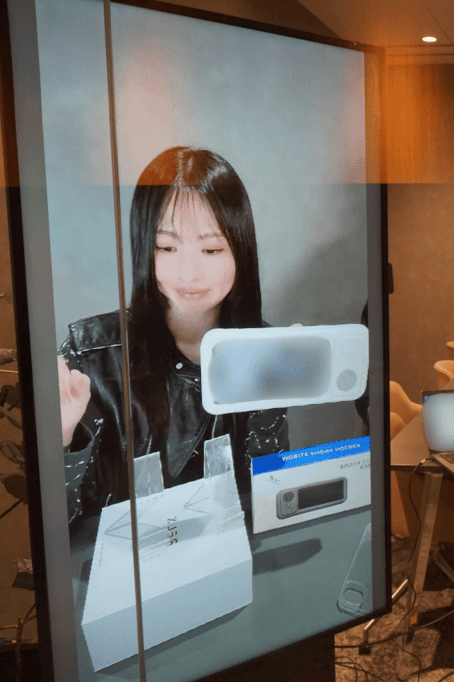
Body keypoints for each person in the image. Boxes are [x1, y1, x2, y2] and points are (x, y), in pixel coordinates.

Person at [58, 147, 288, 526]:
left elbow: (269, 504)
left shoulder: (261, 350)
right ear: (143, 248)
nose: (189, 273)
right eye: (167, 247)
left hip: (230, 554)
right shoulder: (89, 353)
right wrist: (63, 439)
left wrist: (276, 399)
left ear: (240, 251)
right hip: (124, 562)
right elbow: (60, 527)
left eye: (211, 248)